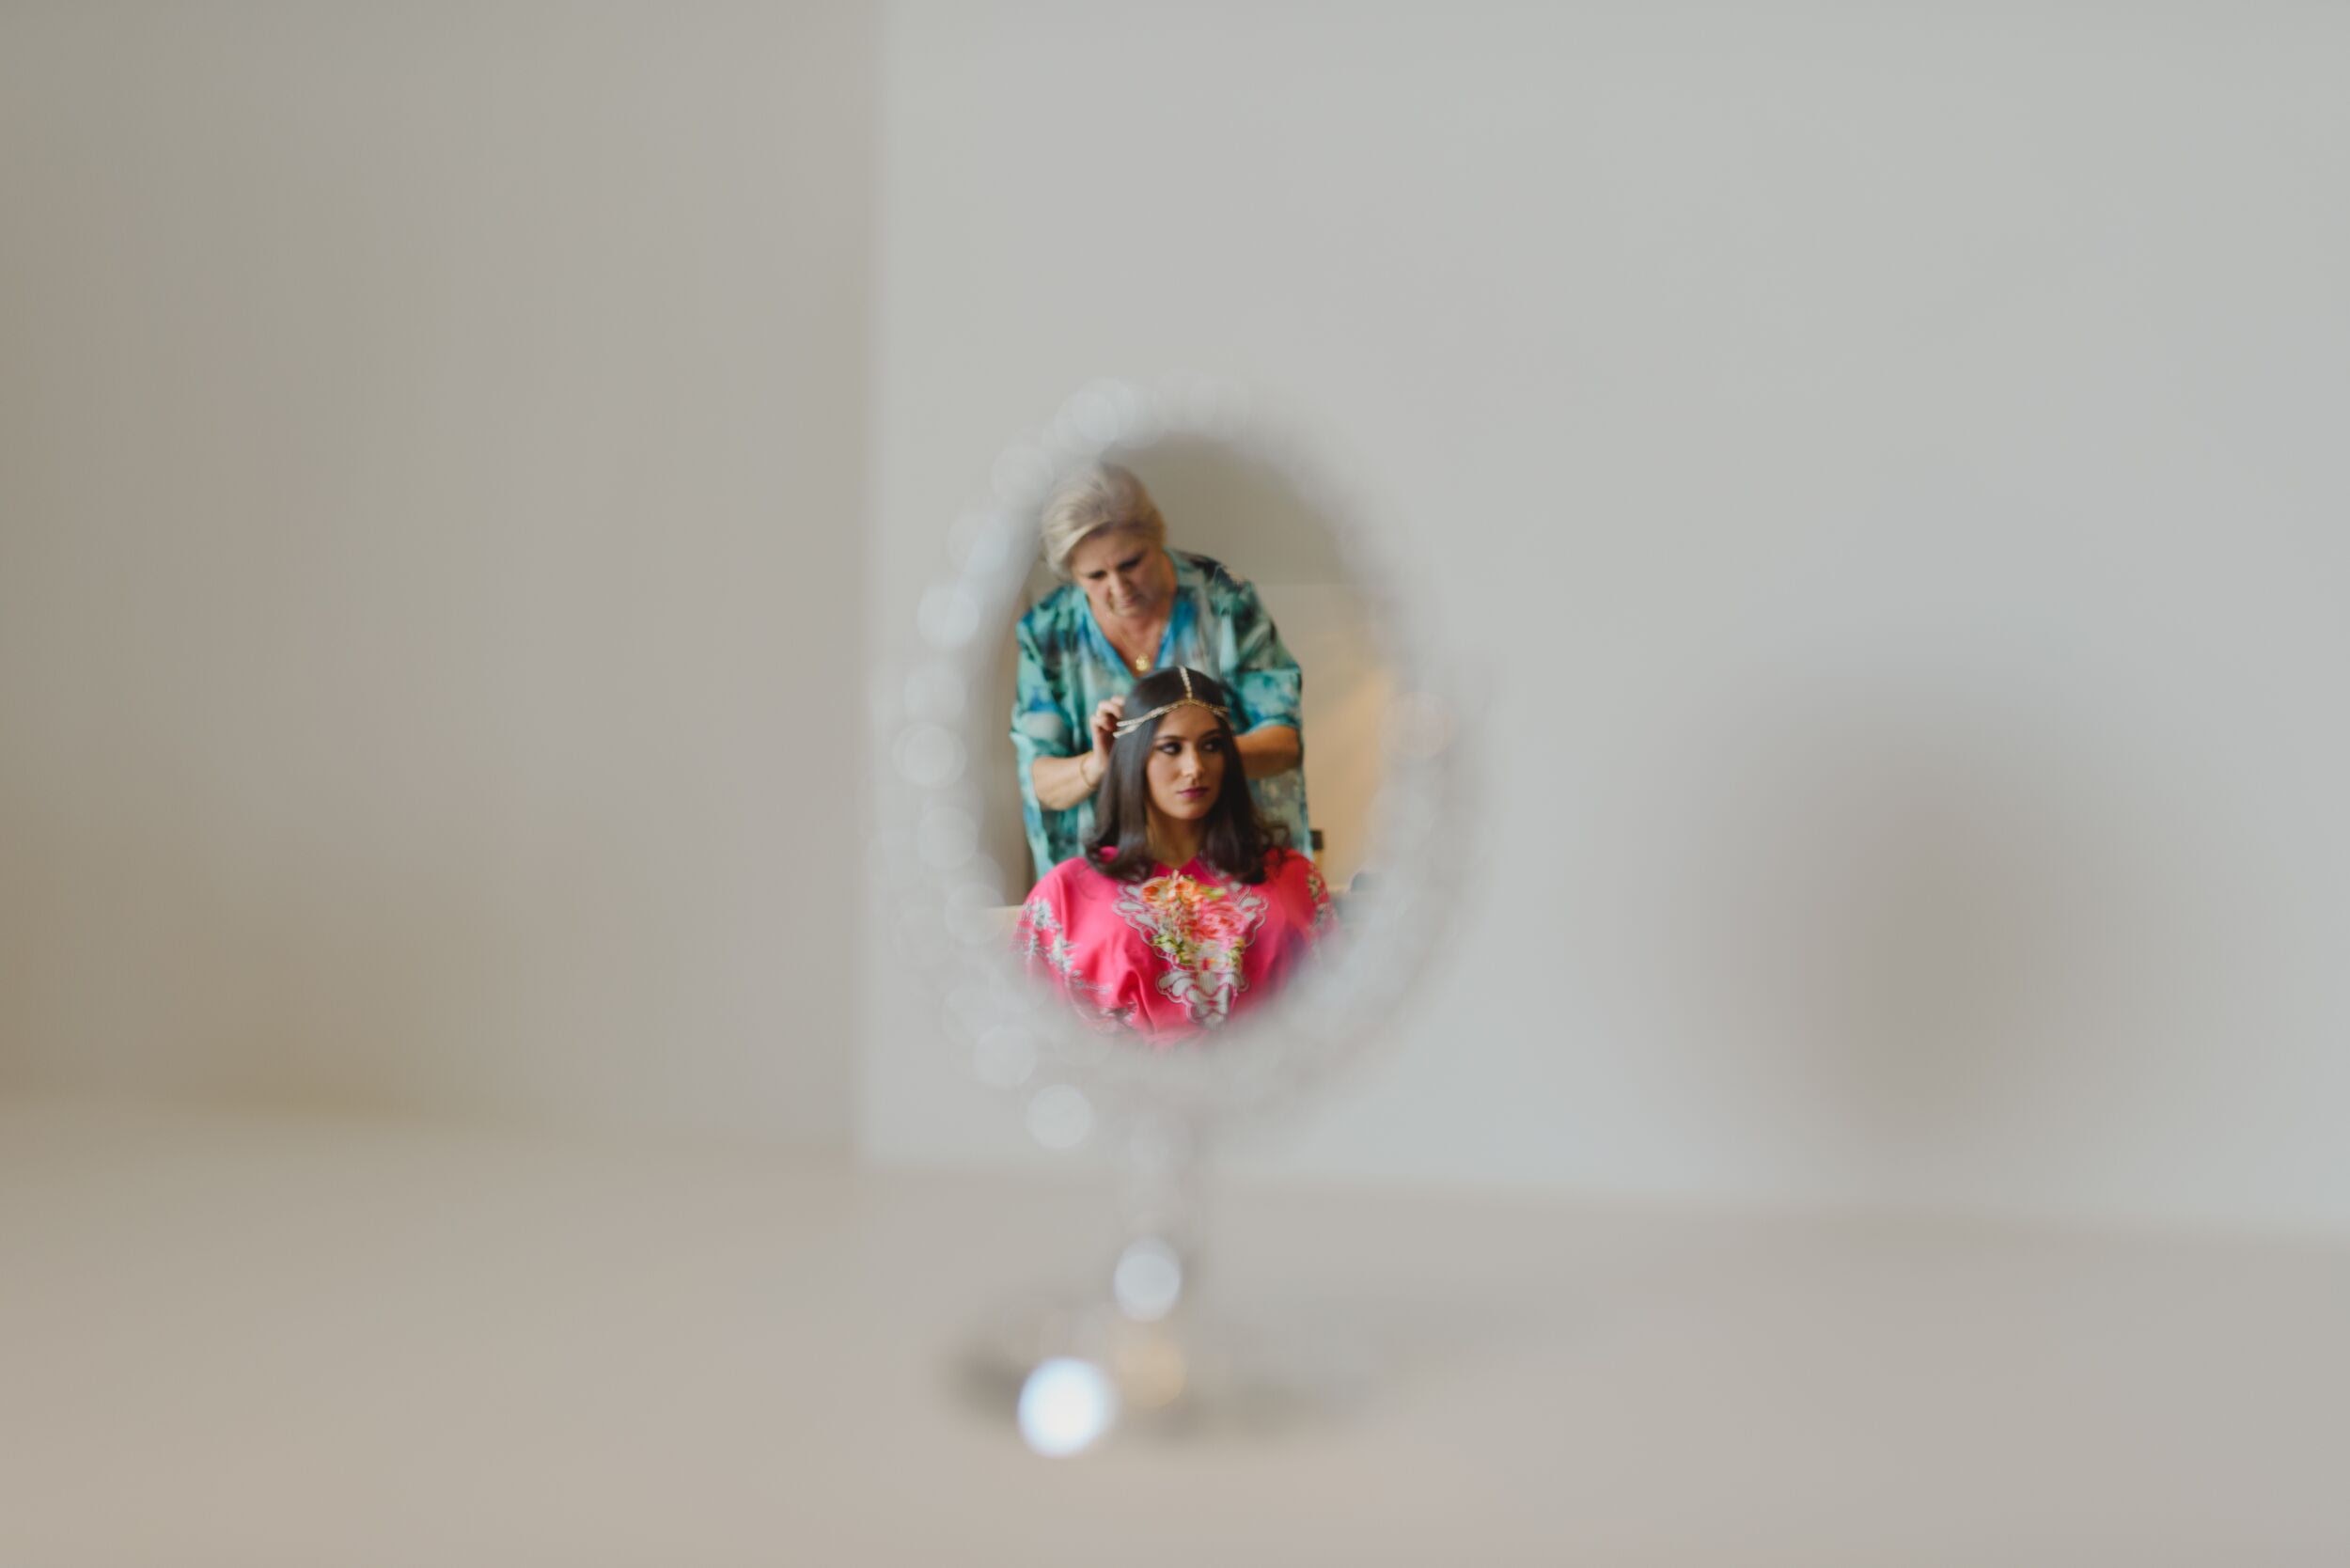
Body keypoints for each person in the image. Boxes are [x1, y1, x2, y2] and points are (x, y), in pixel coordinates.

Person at [1011, 463, 1309, 885]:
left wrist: (1195, 755)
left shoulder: (1224, 600)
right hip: (1108, 882)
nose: (1119, 588)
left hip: (1231, 864)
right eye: (1095, 576)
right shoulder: (1047, 633)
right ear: (1072, 574)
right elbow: (1041, 781)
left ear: (1157, 537)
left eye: (1131, 562)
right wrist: (1101, 765)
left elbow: (1283, 744)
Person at [1016, 666, 1332, 1043]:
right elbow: (1026, 1034)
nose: (1194, 768)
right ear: (1134, 757)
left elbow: (1338, 1011)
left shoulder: (1292, 876)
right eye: (1171, 748)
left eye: (1211, 746)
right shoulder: (1064, 894)